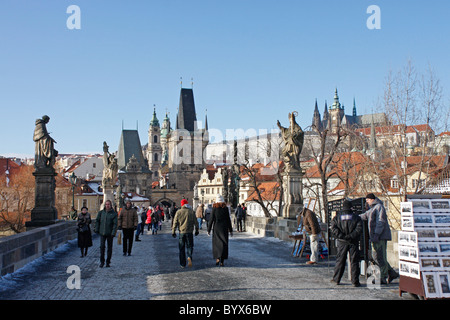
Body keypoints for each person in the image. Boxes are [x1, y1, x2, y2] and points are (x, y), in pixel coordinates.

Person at [360, 193, 399, 284]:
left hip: (380, 236)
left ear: (372, 199)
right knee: (376, 256)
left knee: (380, 256)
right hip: (375, 236)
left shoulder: (379, 207)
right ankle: (391, 272)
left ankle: (384, 276)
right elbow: (365, 215)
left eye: (368, 200)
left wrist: (377, 234)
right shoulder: (373, 208)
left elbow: (380, 221)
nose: (367, 202)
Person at [331, 200, 363, 287]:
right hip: (353, 242)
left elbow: (333, 228)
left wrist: (342, 236)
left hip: (342, 242)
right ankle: (355, 281)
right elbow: (359, 229)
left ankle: (336, 279)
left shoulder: (337, 217)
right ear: (351, 207)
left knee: (340, 261)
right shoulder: (356, 217)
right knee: (354, 261)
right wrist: (351, 236)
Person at [172, 199, 199, 268]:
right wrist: (197, 230)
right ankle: (189, 256)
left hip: (182, 232)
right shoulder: (191, 212)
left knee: (181, 248)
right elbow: (196, 222)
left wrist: (173, 231)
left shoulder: (178, 212)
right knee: (190, 246)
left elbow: (175, 222)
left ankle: (182, 264)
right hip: (189, 232)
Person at [207, 195, 233, 267]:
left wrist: (208, 230)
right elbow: (228, 220)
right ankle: (222, 260)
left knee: (216, 244)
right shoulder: (225, 209)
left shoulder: (214, 208)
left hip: (217, 228)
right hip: (224, 228)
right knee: (224, 243)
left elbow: (211, 219)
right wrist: (230, 230)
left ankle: (218, 258)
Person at [94, 200, 118, 268]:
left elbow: (115, 224)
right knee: (102, 247)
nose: (107, 205)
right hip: (102, 232)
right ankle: (102, 262)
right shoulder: (101, 213)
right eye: (106, 204)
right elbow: (97, 221)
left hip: (110, 233)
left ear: (111, 205)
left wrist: (113, 232)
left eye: (108, 204)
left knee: (109, 248)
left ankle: (108, 262)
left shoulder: (113, 214)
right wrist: (97, 229)